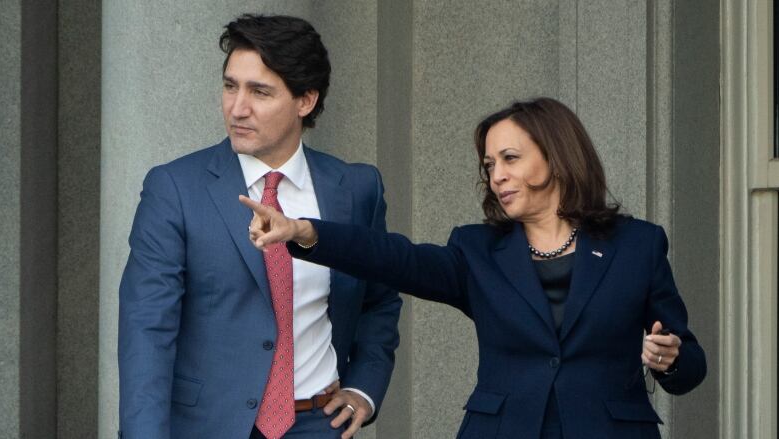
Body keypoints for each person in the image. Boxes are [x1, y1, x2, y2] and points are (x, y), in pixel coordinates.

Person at [240, 97, 707, 439]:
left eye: (510, 158)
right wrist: (306, 232)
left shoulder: (637, 244)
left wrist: (671, 359)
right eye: (489, 164)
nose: (496, 175)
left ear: (557, 155)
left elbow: (689, 363)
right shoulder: (478, 250)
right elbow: (396, 258)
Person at [118, 14, 401, 439]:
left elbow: (379, 300)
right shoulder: (174, 188)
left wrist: (364, 386)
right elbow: (147, 329)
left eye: (259, 92)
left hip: (318, 423)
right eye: (231, 86)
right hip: (207, 427)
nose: (237, 107)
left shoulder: (355, 189)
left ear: (305, 101)